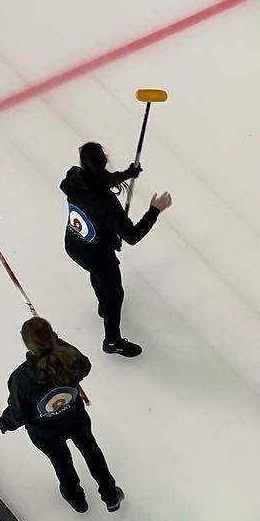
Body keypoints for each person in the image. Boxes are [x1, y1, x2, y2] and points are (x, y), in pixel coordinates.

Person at [0, 316, 124, 512]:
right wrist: (59, 343)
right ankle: (110, 494)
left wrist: (5, 423)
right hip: (75, 419)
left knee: (61, 462)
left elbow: (19, 412)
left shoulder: (22, 379)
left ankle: (76, 499)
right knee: (91, 452)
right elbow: (85, 367)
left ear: (27, 344)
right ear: (52, 336)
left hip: (45, 432)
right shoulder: (69, 358)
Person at [60, 141, 171, 358]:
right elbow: (132, 236)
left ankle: (103, 306)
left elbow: (98, 180)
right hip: (98, 254)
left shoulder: (73, 178)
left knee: (97, 275)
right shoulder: (106, 202)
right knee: (115, 293)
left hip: (74, 245)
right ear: (104, 161)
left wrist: (127, 173)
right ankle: (112, 340)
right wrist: (154, 211)